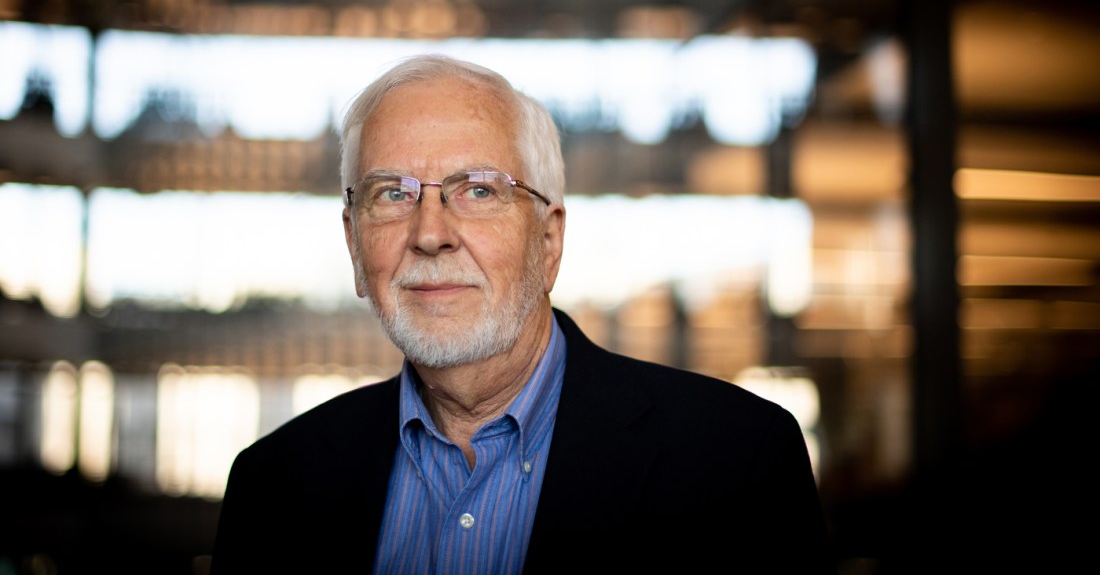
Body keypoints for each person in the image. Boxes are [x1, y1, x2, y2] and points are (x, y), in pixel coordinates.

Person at [211, 54, 834, 573]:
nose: (431, 234)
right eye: (392, 194)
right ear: (353, 244)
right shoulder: (274, 486)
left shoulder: (736, 463)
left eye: (479, 190)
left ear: (549, 240)